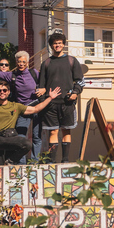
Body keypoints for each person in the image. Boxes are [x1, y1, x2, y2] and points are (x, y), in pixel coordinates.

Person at [0, 49, 43, 163]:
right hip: (22, 110)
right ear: (16, 62)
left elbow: (46, 83)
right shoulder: (11, 75)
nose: (21, 64)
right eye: (19, 61)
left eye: (23, 61)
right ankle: (21, 163)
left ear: (27, 63)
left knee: (37, 137)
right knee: (21, 138)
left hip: (37, 107)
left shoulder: (35, 73)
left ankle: (34, 162)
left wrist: (44, 89)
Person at [37, 32, 85, 163]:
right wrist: (44, 100)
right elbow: (40, 86)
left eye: (59, 43)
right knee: (53, 132)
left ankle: (65, 160)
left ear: (63, 44)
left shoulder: (72, 61)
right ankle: (52, 162)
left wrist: (75, 92)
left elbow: (80, 81)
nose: (57, 45)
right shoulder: (46, 63)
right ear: (51, 46)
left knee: (66, 131)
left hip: (67, 104)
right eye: (54, 43)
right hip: (51, 104)